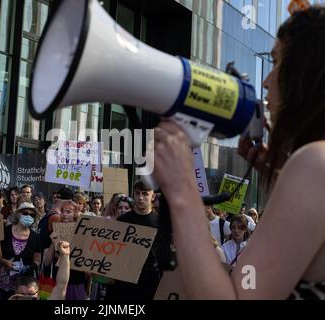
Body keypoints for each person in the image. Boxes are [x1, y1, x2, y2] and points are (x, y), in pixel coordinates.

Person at [152, 6, 325, 299]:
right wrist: (278, 173)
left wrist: (182, 190)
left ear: (305, 74)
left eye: (277, 61)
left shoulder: (314, 164)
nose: (267, 81)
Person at [105, 180, 162, 300]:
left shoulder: (160, 222)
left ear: (153, 196)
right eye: (137, 193)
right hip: (125, 280)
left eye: (145, 194)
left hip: (150, 280)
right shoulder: (123, 220)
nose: (140, 198)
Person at [0, 203, 41, 300]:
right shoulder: (5, 232)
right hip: (2, 284)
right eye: (25, 213)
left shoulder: (35, 237)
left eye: (32, 215)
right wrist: (4, 262)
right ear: (18, 214)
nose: (28, 216)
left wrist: (28, 267)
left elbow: (37, 260)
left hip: (23, 287)